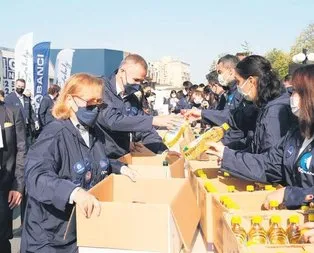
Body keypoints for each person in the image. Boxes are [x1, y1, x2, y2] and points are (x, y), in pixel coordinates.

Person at [21, 73, 137, 253]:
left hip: (79, 231)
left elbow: (94, 161)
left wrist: (119, 167)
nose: (95, 108)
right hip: (49, 238)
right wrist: (73, 192)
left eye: (98, 103)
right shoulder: (54, 134)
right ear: (69, 100)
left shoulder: (94, 132)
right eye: (89, 102)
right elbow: (36, 176)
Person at [207, 64, 314, 211]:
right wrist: (227, 155)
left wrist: (289, 194)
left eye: (297, 91)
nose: (292, 96)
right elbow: (270, 164)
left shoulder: (274, 112)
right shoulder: (296, 134)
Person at [97, 54, 181, 158]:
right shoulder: (101, 89)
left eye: (141, 81)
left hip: (122, 158)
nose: (138, 85)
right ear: (122, 71)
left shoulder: (132, 100)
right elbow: (112, 120)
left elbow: (145, 129)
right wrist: (152, 120)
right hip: (102, 158)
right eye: (136, 80)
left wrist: (163, 151)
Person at [0, 101, 26, 253]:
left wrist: (18, 185)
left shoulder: (12, 111)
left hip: (3, 185)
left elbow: (22, 149)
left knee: (2, 239)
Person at [5, 79, 39, 147]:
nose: (20, 88)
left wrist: (35, 121)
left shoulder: (26, 98)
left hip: (28, 127)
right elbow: (7, 115)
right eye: (18, 86)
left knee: (30, 146)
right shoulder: (9, 98)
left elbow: (31, 111)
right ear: (15, 86)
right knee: (20, 147)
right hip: (17, 129)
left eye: (22, 87)